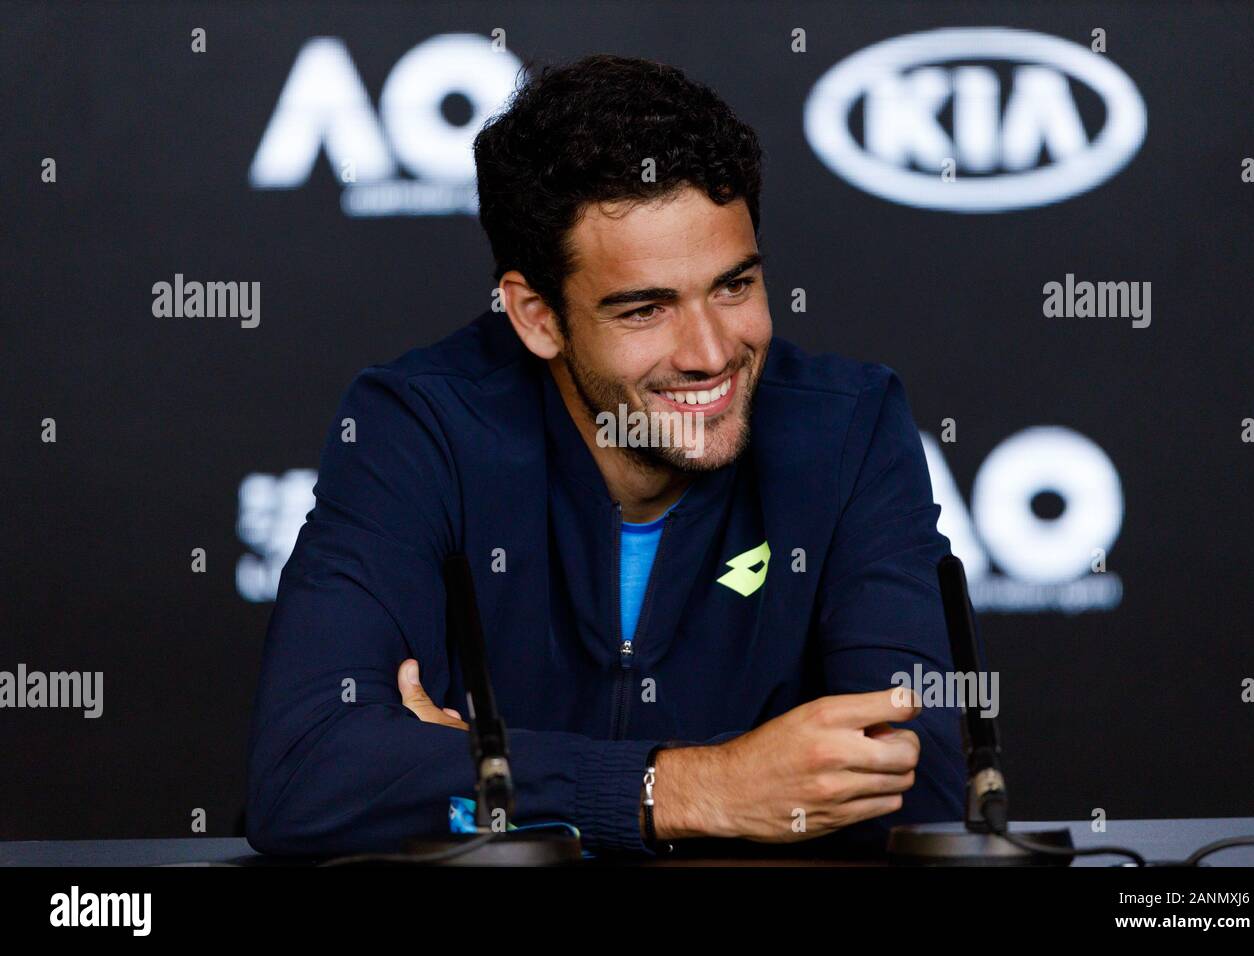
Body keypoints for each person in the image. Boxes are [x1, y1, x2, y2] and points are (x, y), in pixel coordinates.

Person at [246, 54, 965, 859]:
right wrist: (710, 785)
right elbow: (304, 777)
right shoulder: (418, 426)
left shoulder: (846, 427)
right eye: (646, 308)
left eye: (733, 287)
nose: (710, 353)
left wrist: (481, 775)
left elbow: (920, 788)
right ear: (536, 316)